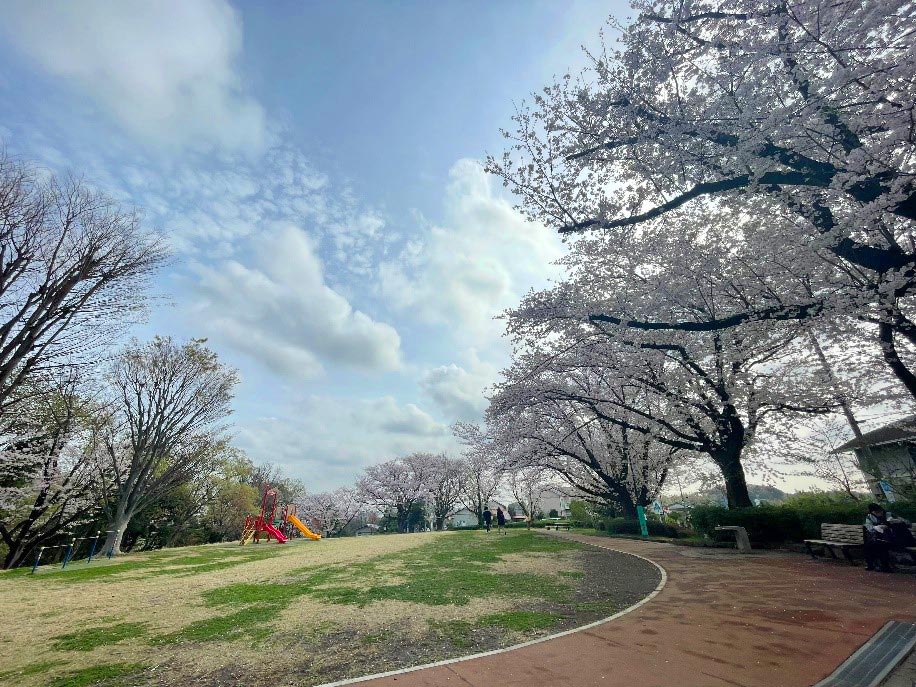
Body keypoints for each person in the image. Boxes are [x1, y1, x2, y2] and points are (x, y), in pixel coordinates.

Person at [864, 503, 914, 572]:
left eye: (880, 511)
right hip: (884, 538)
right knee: (870, 545)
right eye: (876, 512)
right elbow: (869, 527)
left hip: (897, 538)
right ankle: (871, 564)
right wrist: (876, 527)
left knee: (881, 545)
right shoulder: (870, 517)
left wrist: (898, 521)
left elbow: (908, 523)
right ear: (872, 512)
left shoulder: (889, 514)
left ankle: (885, 566)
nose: (880, 513)